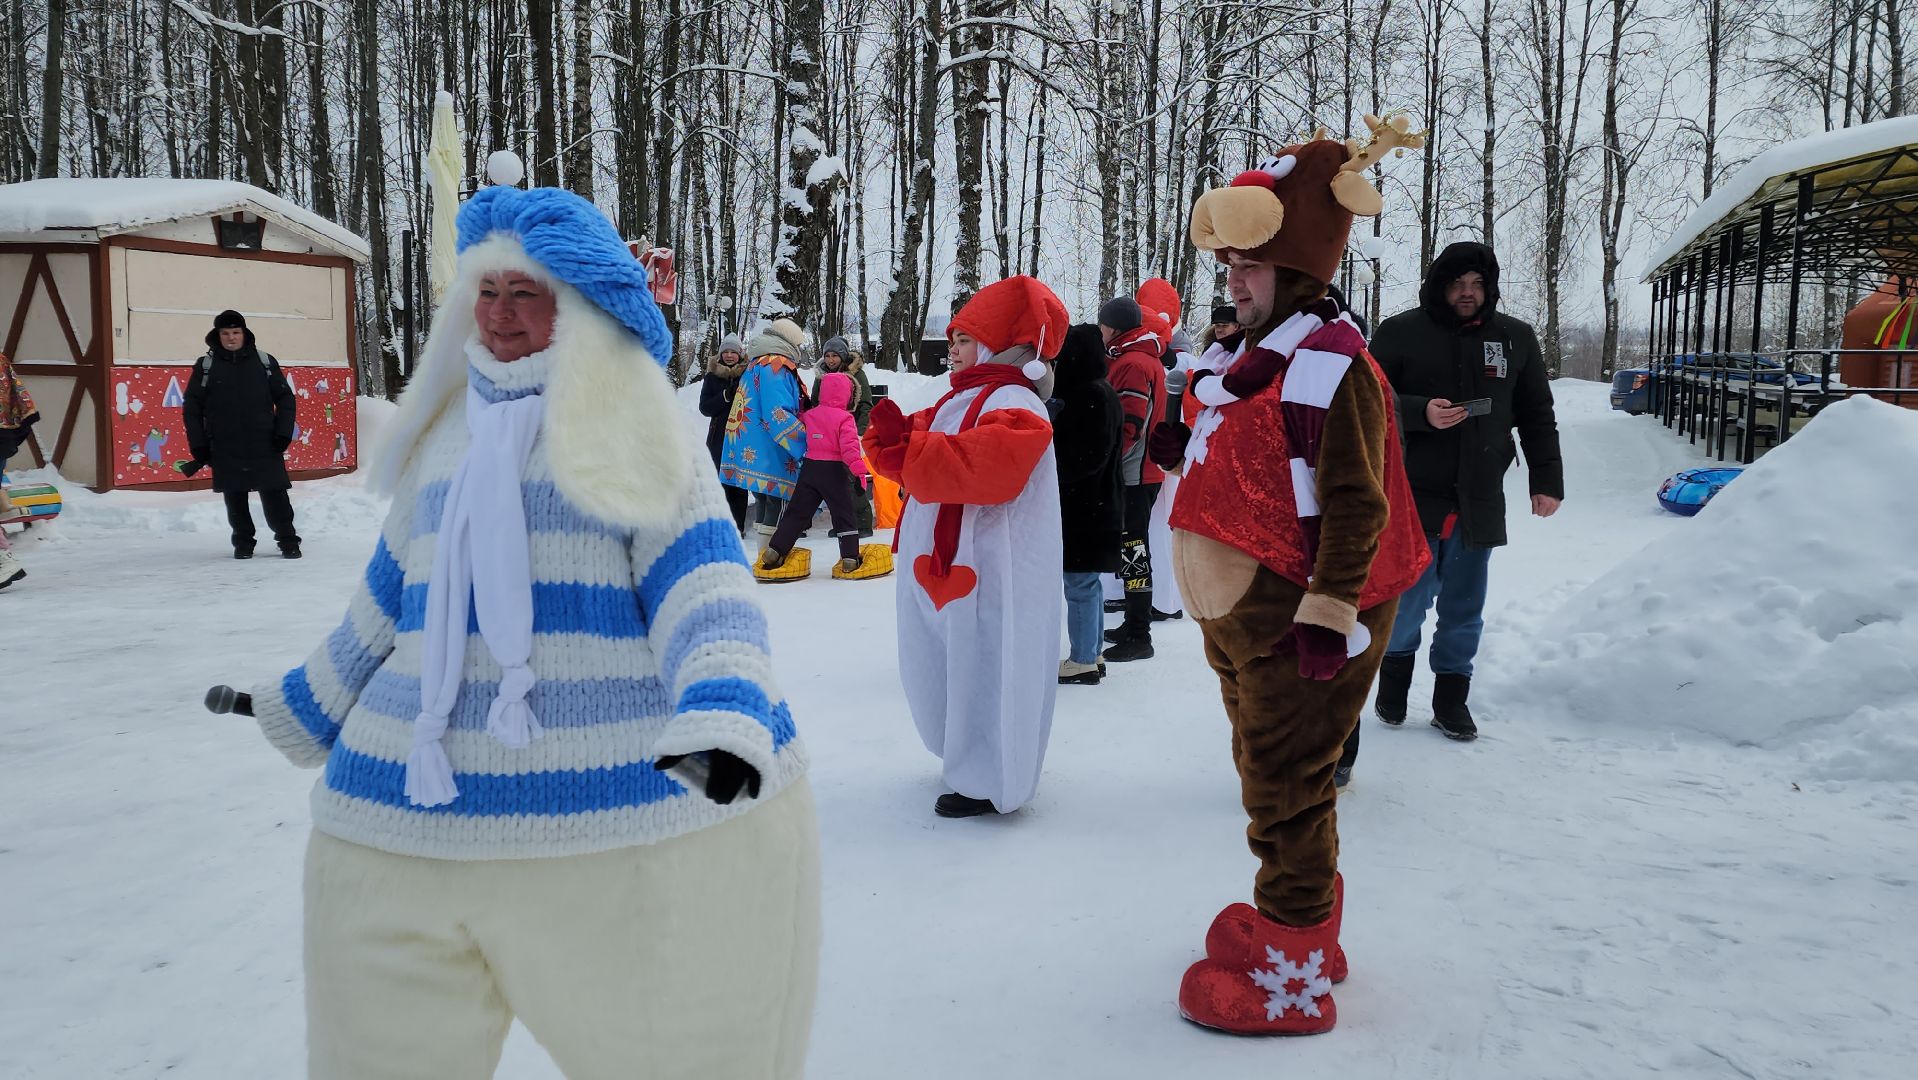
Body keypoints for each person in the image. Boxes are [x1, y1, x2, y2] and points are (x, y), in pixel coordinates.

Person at [232, 181, 818, 1078]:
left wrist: (724, 708)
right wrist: (307, 704)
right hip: (403, 816)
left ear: (576, 306)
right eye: (489, 293)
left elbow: (701, 582)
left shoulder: (635, 420)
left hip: (611, 819)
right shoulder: (443, 433)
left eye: (526, 294)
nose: (501, 316)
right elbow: (391, 597)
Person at [1151, 129, 1430, 1035]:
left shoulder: (1335, 364)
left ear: (1297, 270)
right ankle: (1307, 922)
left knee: (1288, 788)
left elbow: (1361, 503)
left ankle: (1293, 972)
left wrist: (1329, 609)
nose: (1233, 279)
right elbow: (1249, 450)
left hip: (1304, 619)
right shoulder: (1258, 357)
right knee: (1272, 776)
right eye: (1230, 263)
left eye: (1252, 266)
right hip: (1248, 622)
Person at [864, 275, 1065, 818]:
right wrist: (890, 442)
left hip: (995, 568)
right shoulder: (961, 397)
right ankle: (964, 754)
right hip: (950, 566)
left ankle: (990, 772)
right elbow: (913, 448)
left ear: (1003, 343)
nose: (952, 347)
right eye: (952, 337)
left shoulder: (1016, 399)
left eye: (966, 337)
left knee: (990, 660)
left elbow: (985, 467)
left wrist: (910, 451)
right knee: (949, 661)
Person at [1368, 241, 1564, 743]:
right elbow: (1365, 401)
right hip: (1411, 497)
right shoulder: (1400, 333)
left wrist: (1546, 481)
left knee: (1464, 607)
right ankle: (1392, 686)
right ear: (1439, 285)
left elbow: (1537, 413)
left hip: (1477, 496)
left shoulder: (1515, 338)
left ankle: (1451, 700)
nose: (1468, 293)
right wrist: (1419, 413)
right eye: (1457, 284)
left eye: (1477, 284)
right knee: (1406, 602)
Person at [182, 310, 301, 559]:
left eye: (236, 332)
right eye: (225, 333)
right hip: (225, 445)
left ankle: (288, 540)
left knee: (275, 494)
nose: (231, 338)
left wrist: (283, 433)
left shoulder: (264, 362)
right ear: (218, 335)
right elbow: (192, 408)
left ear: (245, 334)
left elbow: (286, 399)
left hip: (265, 442)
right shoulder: (206, 366)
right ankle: (243, 543)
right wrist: (199, 446)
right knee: (234, 497)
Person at [1050, 323, 1123, 685]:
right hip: (1100, 502)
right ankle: (1091, 652)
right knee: (1088, 583)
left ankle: (1082, 658)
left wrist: (1051, 468)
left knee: (1078, 583)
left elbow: (1085, 455)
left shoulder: (1083, 395)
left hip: (1081, 505)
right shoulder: (1103, 391)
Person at [1097, 295, 1167, 662]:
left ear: (1116, 327)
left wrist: (1107, 461)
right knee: (1132, 549)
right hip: (1140, 470)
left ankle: (1140, 634)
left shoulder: (1133, 363)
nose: (1101, 329)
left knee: (1135, 551)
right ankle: (1132, 622)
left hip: (1134, 472)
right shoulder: (1138, 357)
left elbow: (1131, 423)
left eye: (1104, 323)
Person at [756, 371, 874, 579]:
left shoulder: (811, 415)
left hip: (810, 468)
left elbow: (798, 428)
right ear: (848, 395)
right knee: (843, 513)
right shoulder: (844, 418)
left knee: (797, 512)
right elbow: (850, 450)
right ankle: (849, 557)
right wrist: (859, 474)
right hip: (834, 471)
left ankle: (776, 549)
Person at [721, 319, 809, 534]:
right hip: (770, 446)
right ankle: (771, 557)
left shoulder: (756, 363)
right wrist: (804, 441)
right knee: (776, 501)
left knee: (764, 498)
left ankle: (763, 555)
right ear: (789, 342)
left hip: (750, 444)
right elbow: (777, 412)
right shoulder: (775, 367)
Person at [809, 336, 875, 536]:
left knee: (852, 477)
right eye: (827, 356)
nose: (830, 360)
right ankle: (843, 523)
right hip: (828, 434)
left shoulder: (855, 374)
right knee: (834, 481)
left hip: (849, 431)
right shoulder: (821, 376)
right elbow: (815, 403)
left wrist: (860, 432)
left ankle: (863, 523)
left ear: (843, 356)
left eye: (835, 356)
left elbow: (865, 405)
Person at [699, 334, 752, 531]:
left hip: (742, 434)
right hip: (719, 437)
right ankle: (723, 526)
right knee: (720, 482)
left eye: (733, 352)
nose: (729, 356)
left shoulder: (747, 376)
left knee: (739, 482)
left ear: (740, 354)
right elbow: (705, 408)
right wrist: (725, 396)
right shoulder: (712, 377)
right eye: (726, 352)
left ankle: (738, 527)